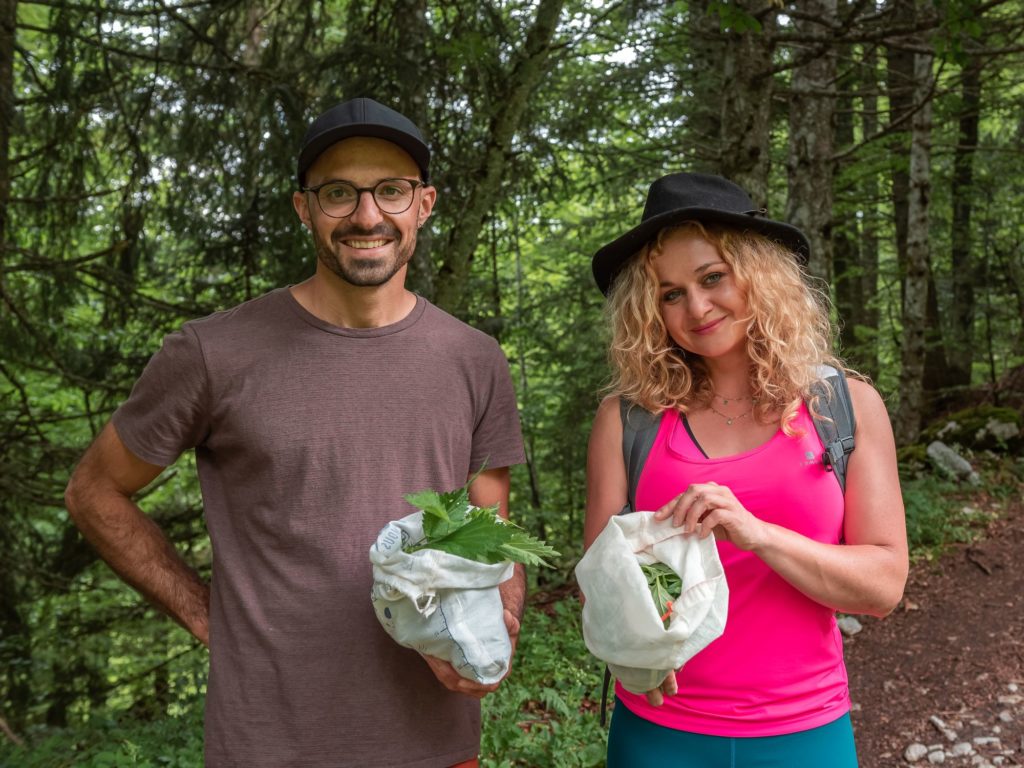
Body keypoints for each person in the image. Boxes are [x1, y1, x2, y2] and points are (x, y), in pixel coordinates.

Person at [64, 97, 526, 768]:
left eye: (390, 191)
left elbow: (495, 532)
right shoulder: (213, 353)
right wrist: (200, 610)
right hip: (270, 743)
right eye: (339, 193)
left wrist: (501, 621)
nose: (367, 216)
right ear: (303, 208)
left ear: (424, 204)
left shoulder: (474, 358)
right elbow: (94, 492)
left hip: (436, 741)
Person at [584, 172, 908, 767]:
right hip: (660, 732)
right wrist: (631, 648)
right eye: (669, 293)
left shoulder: (844, 406)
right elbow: (604, 582)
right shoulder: (627, 420)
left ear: (757, 275)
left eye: (712, 278)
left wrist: (757, 534)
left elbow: (884, 586)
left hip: (804, 731)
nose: (697, 307)